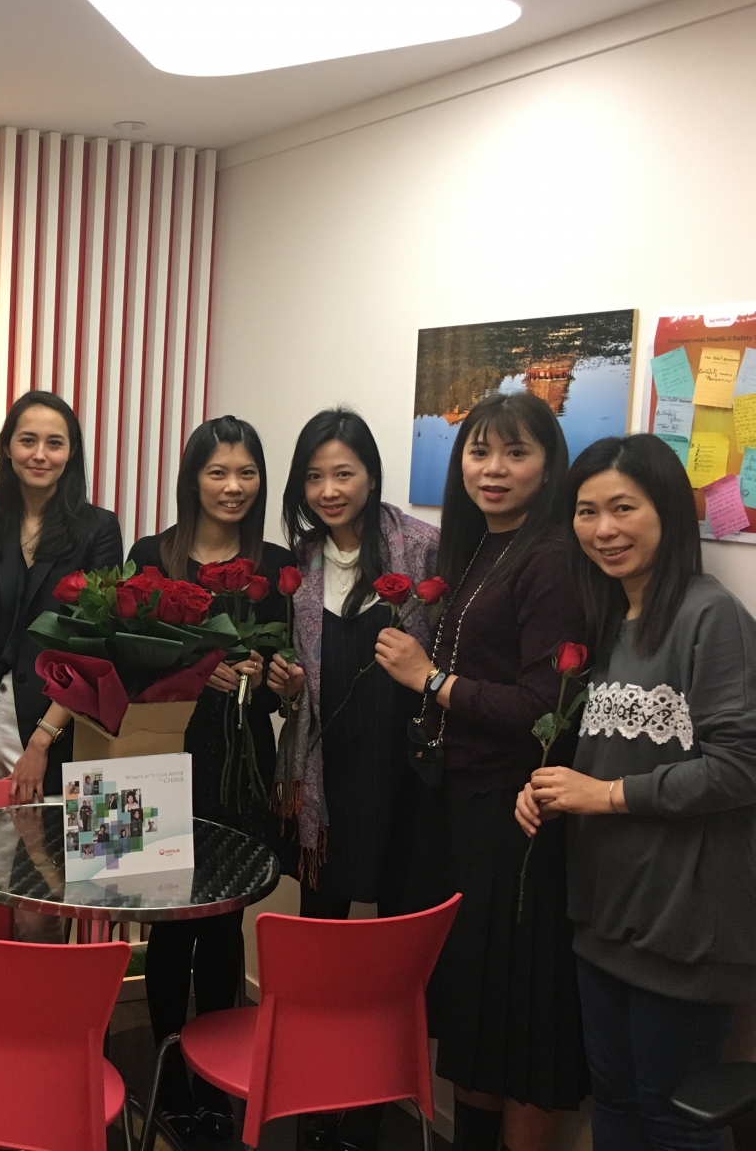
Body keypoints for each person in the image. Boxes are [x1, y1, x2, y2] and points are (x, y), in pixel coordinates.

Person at [517, 434, 756, 1151]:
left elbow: (742, 766)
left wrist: (607, 796)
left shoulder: (710, 616)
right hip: (604, 916)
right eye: (587, 512)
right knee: (615, 1104)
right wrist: (547, 790)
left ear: (668, 512)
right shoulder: (609, 619)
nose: (604, 530)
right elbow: (603, 754)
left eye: (624, 508)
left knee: (672, 1120)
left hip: (681, 927)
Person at [372, 393, 588, 1151]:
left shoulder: (551, 558)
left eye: (516, 453)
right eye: (479, 451)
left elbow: (542, 707)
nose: (493, 470)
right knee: (475, 1014)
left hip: (513, 815)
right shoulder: (482, 546)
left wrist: (430, 680)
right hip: (462, 807)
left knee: (519, 1023)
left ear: (548, 466)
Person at [267, 407, 441, 1151]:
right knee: (322, 955)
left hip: (404, 781)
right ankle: (314, 1102)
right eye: (314, 476)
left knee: (391, 958)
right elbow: (296, 671)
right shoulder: (299, 561)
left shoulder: (424, 547)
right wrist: (282, 683)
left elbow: (445, 660)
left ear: (371, 475)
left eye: (344, 472)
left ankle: (370, 1112)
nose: (329, 490)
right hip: (324, 782)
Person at [130, 415, 298, 1142]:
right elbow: (127, 667)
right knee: (168, 926)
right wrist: (197, 673)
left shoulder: (276, 566)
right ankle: (170, 1078)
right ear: (192, 478)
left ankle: (212, 1081)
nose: (233, 486)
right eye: (218, 472)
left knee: (227, 923)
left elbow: (286, 682)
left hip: (241, 764)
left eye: (247, 472)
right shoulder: (152, 556)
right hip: (160, 763)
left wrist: (278, 680)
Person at [0, 390, 123, 800]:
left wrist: (41, 742)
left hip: (60, 726)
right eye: (27, 440)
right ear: (8, 447)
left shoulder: (98, 530)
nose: (40, 454)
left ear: (71, 452)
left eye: (54, 443)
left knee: (47, 841)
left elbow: (96, 646)